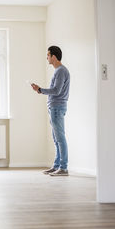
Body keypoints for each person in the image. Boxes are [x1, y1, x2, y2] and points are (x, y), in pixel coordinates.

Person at [31, 46, 70, 176]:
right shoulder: (59, 71)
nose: (47, 57)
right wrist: (40, 90)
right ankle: (57, 166)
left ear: (53, 56)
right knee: (56, 138)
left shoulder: (60, 71)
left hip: (57, 108)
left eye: (48, 55)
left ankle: (63, 168)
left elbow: (56, 91)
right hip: (54, 107)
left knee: (60, 138)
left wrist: (41, 90)